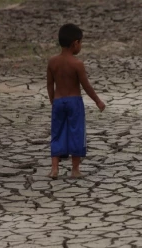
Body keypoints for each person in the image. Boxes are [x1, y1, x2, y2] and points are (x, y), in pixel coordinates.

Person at [46, 23, 105, 179]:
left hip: (58, 102)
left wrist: (53, 101)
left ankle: (54, 169)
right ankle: (75, 169)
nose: (81, 45)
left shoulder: (52, 62)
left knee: (57, 133)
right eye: (81, 42)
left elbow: (49, 85)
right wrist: (97, 101)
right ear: (75, 43)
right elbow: (86, 86)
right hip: (74, 102)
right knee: (76, 133)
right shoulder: (77, 64)